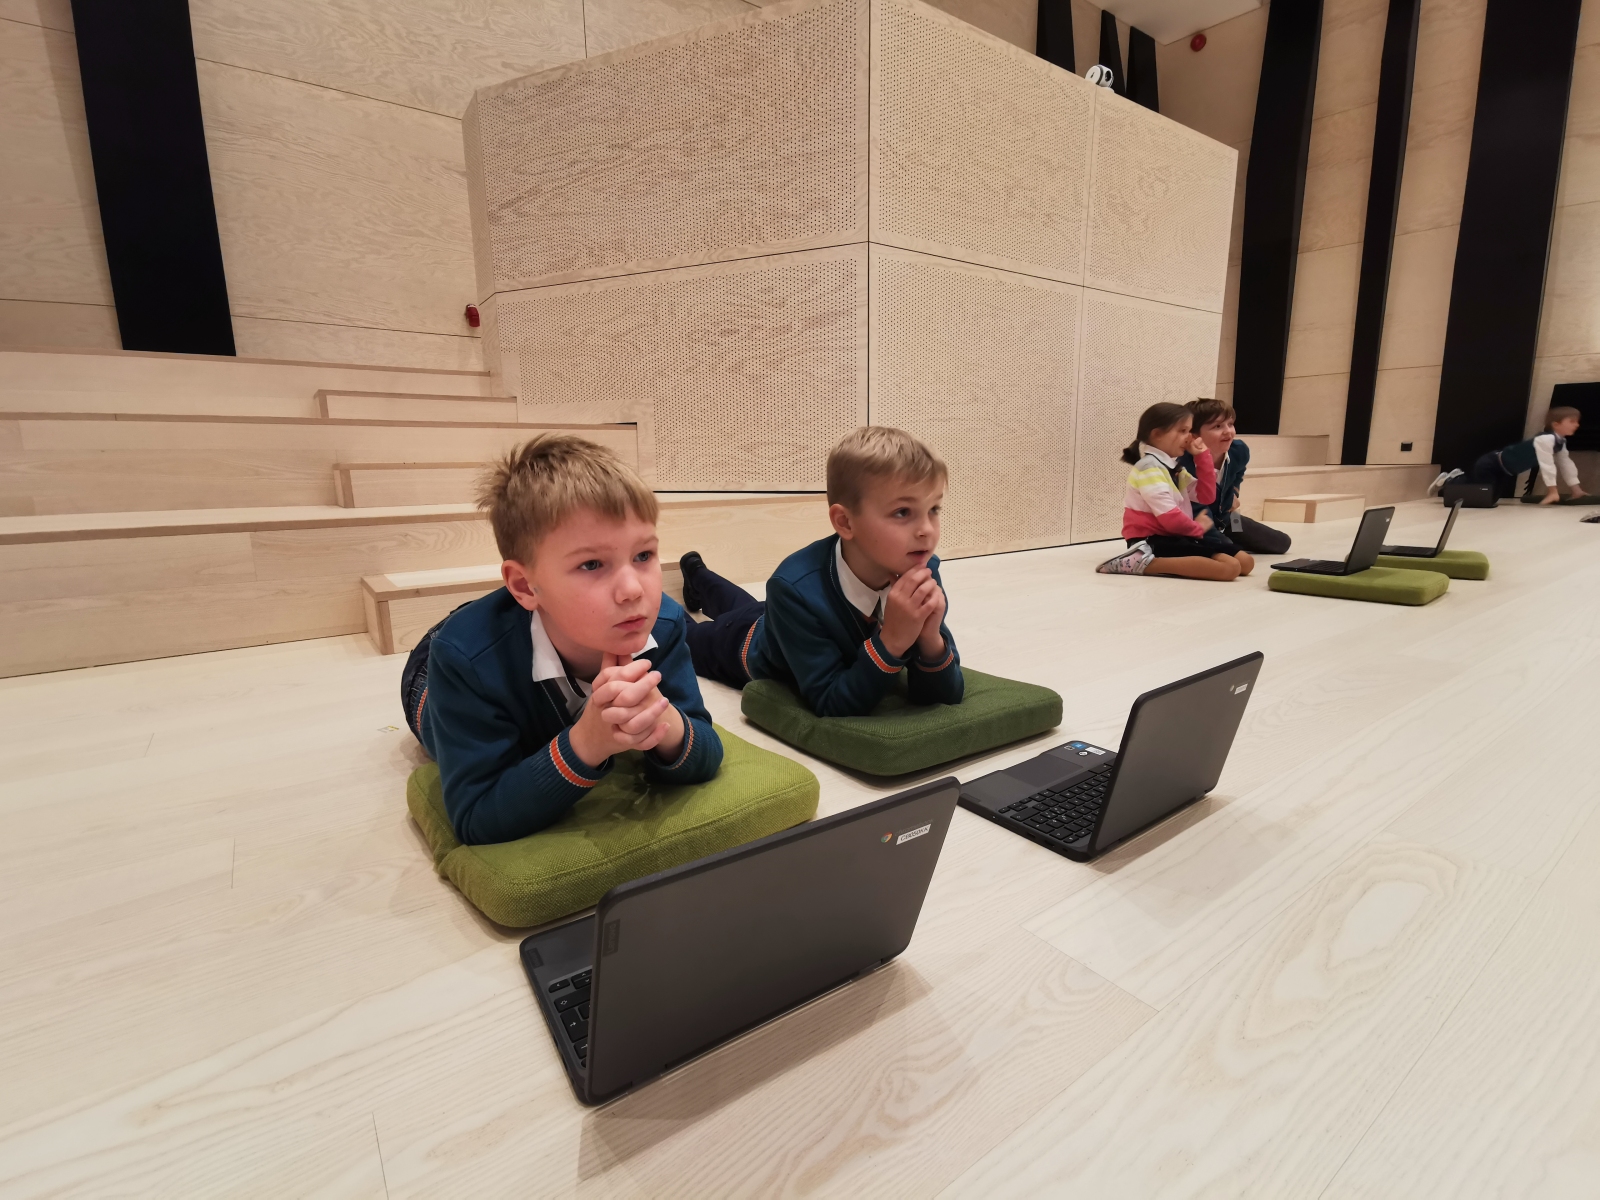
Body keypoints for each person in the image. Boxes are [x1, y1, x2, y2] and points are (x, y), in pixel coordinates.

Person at [400, 435, 722, 845]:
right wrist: (586, 743)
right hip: (436, 665)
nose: (632, 590)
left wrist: (664, 721)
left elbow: (705, 746)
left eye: (643, 556)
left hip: (519, 620)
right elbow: (476, 816)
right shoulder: (465, 661)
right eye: (592, 564)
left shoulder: (664, 624)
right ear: (525, 585)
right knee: (440, 716)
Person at [677, 426, 963, 717]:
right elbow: (831, 701)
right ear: (845, 522)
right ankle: (692, 578)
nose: (927, 530)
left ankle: (697, 573)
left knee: (747, 607)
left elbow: (946, 695)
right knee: (685, 635)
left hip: (782, 617)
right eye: (903, 512)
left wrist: (930, 639)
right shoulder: (794, 589)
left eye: (934, 509)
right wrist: (892, 642)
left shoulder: (921, 568)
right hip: (745, 642)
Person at [1096, 402, 1253, 580]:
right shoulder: (1149, 468)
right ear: (1157, 434)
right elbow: (1169, 517)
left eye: (1190, 431)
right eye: (1183, 431)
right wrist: (1197, 528)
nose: (1189, 438)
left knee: (1246, 563)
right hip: (1151, 540)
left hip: (1178, 535)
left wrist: (1202, 457)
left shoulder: (1173, 467)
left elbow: (1206, 497)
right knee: (1229, 568)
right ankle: (1138, 562)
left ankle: (1148, 561)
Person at [1176, 397, 1293, 555]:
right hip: (1199, 522)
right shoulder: (1183, 463)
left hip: (1227, 518)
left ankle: (1227, 537)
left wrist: (1235, 492)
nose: (1228, 431)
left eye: (1230, 424)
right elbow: (1191, 506)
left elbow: (1238, 473)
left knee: (1281, 543)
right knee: (1228, 548)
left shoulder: (1239, 450)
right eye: (1217, 426)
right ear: (1194, 435)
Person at [1431, 407, 1587, 505]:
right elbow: (1547, 465)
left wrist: (1576, 490)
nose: (1577, 425)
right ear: (1556, 424)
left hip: (1504, 471)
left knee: (1490, 500)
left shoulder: (1560, 443)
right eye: (1572, 421)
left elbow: (1566, 464)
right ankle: (1452, 480)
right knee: (1483, 499)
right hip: (1491, 464)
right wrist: (1553, 491)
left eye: (1577, 421)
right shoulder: (1546, 439)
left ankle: (1458, 478)